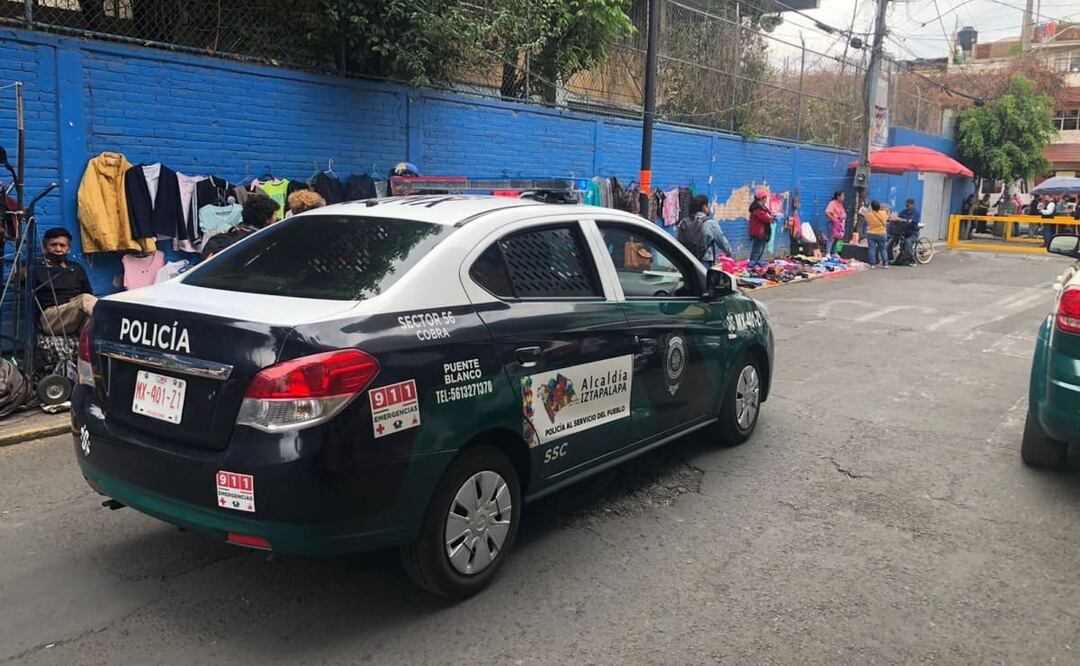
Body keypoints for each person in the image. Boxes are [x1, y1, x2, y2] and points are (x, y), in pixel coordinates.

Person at [32, 227, 96, 335]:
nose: (58, 249)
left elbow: (88, 293)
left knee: (93, 322)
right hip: (51, 318)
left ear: (68, 249)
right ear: (45, 248)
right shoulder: (36, 268)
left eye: (62, 245)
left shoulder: (76, 268)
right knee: (85, 300)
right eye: (53, 245)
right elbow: (18, 279)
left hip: (74, 314)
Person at [201, 191, 278, 260]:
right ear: (267, 219)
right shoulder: (267, 244)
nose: (277, 218)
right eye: (275, 215)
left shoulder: (217, 240)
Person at [685, 194, 733, 265]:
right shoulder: (710, 223)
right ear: (704, 207)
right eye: (708, 205)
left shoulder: (685, 222)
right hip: (704, 259)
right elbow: (721, 240)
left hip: (687, 258)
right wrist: (729, 253)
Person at [748, 189, 774, 262]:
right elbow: (765, 218)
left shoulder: (762, 207)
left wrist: (771, 217)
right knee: (756, 250)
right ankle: (752, 265)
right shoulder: (756, 208)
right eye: (765, 198)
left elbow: (768, 215)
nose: (766, 200)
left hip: (763, 232)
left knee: (761, 250)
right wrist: (771, 218)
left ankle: (756, 265)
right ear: (762, 198)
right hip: (758, 232)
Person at [865, 200, 889, 269]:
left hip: (871, 233)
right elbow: (887, 216)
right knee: (882, 249)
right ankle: (885, 264)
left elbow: (866, 217)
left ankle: (872, 264)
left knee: (872, 249)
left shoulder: (869, 214)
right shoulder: (884, 213)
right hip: (882, 233)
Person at [896, 198, 920, 265]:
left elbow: (911, 221)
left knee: (908, 242)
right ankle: (899, 259)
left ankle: (913, 260)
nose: (907, 206)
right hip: (905, 231)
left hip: (913, 233)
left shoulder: (916, 212)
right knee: (901, 242)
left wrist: (902, 219)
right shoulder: (904, 211)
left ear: (912, 205)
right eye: (906, 204)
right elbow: (898, 216)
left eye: (908, 205)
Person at [824, 191, 846, 257]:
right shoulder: (832, 203)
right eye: (842, 195)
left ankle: (834, 252)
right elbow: (827, 212)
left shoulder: (840, 204)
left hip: (839, 225)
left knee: (837, 238)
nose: (844, 197)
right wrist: (834, 219)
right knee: (831, 238)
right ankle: (828, 253)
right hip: (832, 224)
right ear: (838, 197)